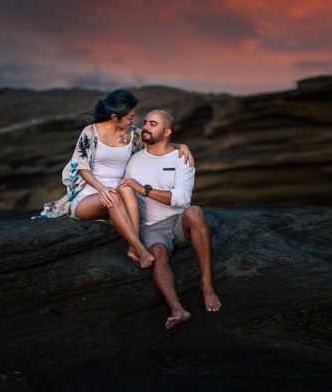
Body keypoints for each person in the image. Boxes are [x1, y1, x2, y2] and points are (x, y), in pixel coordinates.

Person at [37, 90, 194, 270]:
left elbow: (157, 142)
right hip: (89, 195)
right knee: (115, 195)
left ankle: (131, 246)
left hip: (118, 192)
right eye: (130, 117)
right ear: (114, 116)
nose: (134, 122)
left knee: (126, 187)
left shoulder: (133, 134)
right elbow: (81, 167)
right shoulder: (90, 132)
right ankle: (140, 249)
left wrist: (181, 146)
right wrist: (102, 189)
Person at [119, 110, 221, 330]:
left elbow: (182, 199)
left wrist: (143, 189)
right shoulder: (134, 160)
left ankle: (206, 285)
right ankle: (177, 309)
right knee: (157, 253)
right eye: (145, 122)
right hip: (152, 228)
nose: (145, 127)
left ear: (166, 132)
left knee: (194, 212)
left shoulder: (182, 157)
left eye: (152, 124)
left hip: (178, 222)